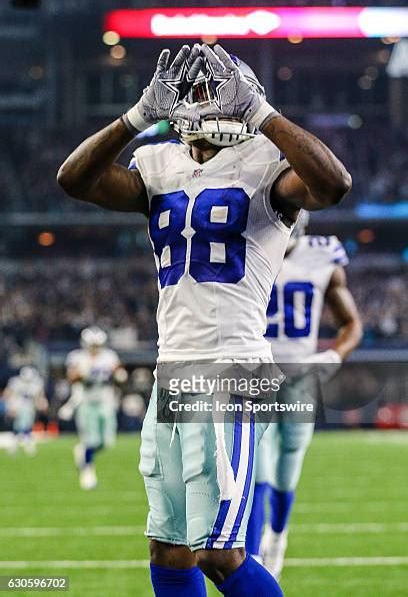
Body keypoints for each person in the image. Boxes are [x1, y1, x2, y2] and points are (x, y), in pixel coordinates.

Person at [57, 43, 351, 596]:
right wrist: (136, 118)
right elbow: (73, 180)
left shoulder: (266, 165)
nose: (207, 104)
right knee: (169, 552)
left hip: (233, 370)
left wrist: (263, 114)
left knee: (219, 552)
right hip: (174, 370)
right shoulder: (158, 164)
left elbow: (334, 185)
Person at [246, 212, 363, 578]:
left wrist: (333, 354)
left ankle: (278, 536)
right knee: (257, 471)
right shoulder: (245, 249)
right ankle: (253, 562)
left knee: (288, 462)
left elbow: (352, 324)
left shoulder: (321, 254)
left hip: (300, 376)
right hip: (257, 375)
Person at [58, 326, 127, 490]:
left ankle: (81, 452)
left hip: (105, 401)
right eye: (92, 344)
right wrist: (83, 373)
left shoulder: (109, 356)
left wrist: (119, 375)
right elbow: (71, 377)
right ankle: (87, 472)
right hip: (86, 402)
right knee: (90, 440)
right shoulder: (77, 357)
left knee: (107, 442)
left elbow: (119, 373)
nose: (95, 348)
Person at [4, 366, 48, 456]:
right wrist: (10, 407)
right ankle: (23, 445)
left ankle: (20, 445)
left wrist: (41, 404)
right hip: (17, 406)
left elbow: (38, 396)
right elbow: (8, 394)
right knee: (19, 427)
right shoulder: (15, 382)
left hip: (29, 407)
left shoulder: (36, 383)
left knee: (26, 426)